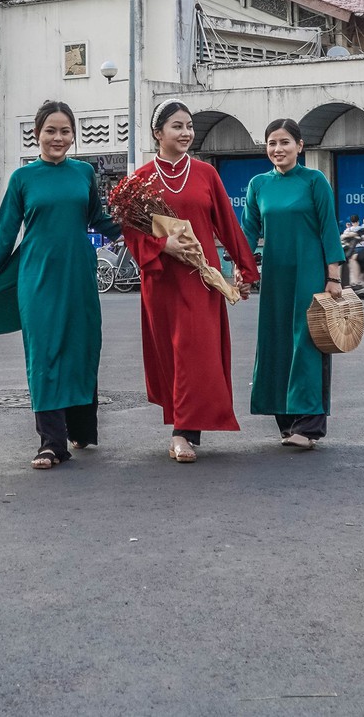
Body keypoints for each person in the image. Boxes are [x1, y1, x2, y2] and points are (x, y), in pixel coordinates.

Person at [0, 102, 120, 470]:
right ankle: (50, 443)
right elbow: (4, 234)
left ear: (73, 136)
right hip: (38, 276)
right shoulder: (23, 179)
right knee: (44, 353)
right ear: (37, 134)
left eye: (64, 131)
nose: (58, 138)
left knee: (82, 347)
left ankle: (80, 429)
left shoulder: (84, 173)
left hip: (79, 275)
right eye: (50, 131)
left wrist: (148, 232)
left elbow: (100, 219)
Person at [122, 100, 259, 464]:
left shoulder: (205, 174)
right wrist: (161, 245)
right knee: (175, 353)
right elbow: (132, 234)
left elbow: (227, 224)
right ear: (158, 133)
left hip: (202, 278)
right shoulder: (140, 180)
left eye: (189, 126)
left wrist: (245, 269)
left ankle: (183, 431)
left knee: (195, 351)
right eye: (177, 127)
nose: (186, 133)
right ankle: (184, 428)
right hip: (164, 280)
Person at [241, 118, 345, 449]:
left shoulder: (315, 181)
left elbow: (329, 228)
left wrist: (333, 277)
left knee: (307, 343)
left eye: (285, 142)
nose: (278, 149)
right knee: (275, 341)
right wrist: (240, 271)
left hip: (311, 274)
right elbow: (247, 232)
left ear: (300, 146)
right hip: (275, 275)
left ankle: (309, 425)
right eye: (272, 143)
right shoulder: (258, 185)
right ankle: (285, 421)